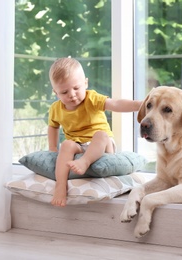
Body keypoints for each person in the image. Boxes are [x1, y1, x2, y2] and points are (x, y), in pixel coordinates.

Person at [47, 57, 142, 207]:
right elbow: (53, 127)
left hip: (103, 145)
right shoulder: (55, 109)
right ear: (56, 92)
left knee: (101, 134)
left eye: (76, 88)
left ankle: (85, 162)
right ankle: (60, 186)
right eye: (64, 92)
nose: (71, 94)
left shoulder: (91, 98)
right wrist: (52, 147)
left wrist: (138, 105)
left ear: (85, 83)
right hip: (79, 146)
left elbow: (115, 104)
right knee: (66, 145)